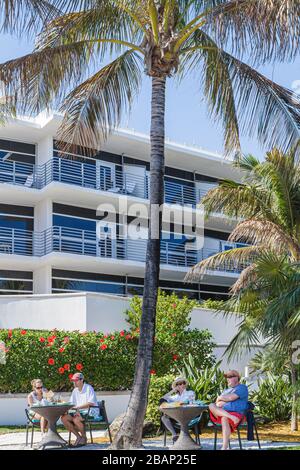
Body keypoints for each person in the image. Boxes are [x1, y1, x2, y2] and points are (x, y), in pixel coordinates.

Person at [209, 369, 249, 450]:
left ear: (236, 378)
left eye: (230, 376)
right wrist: (221, 400)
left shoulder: (242, 387)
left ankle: (224, 447)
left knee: (224, 418)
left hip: (237, 414)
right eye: (227, 377)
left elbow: (231, 397)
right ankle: (231, 417)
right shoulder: (226, 390)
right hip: (228, 415)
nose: (227, 378)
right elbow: (217, 403)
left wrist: (221, 398)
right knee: (211, 405)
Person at [61, 372, 99, 447]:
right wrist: (64, 406)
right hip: (79, 412)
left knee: (76, 419)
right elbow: (71, 404)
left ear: (82, 380)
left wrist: (77, 408)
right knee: (64, 418)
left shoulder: (88, 388)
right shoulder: (75, 390)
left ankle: (84, 438)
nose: (74, 382)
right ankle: (78, 437)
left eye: (76, 380)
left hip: (91, 411)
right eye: (73, 380)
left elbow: (90, 403)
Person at [160, 376, 195, 443]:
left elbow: (191, 403)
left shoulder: (190, 393)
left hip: (187, 414)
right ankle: (174, 435)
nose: (182, 385)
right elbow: (162, 398)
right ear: (177, 386)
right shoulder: (174, 397)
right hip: (176, 416)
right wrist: (173, 390)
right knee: (164, 417)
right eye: (179, 383)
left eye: (183, 383)